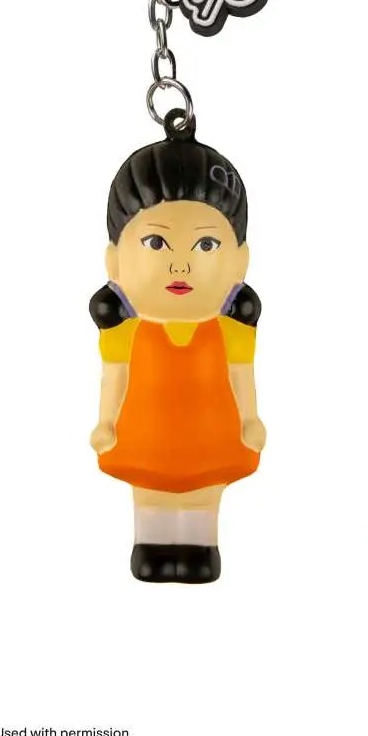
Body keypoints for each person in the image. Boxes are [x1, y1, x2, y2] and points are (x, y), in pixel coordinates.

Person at [89, 115, 264, 584]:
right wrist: (106, 421)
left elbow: (242, 375)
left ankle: (200, 547)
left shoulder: (230, 329)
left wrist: (250, 419)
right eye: (156, 242)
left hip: (213, 430)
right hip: (144, 430)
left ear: (240, 262)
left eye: (206, 244)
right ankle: (151, 544)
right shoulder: (126, 329)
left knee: (204, 494)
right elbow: (115, 375)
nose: (180, 264)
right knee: (149, 493)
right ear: (115, 261)